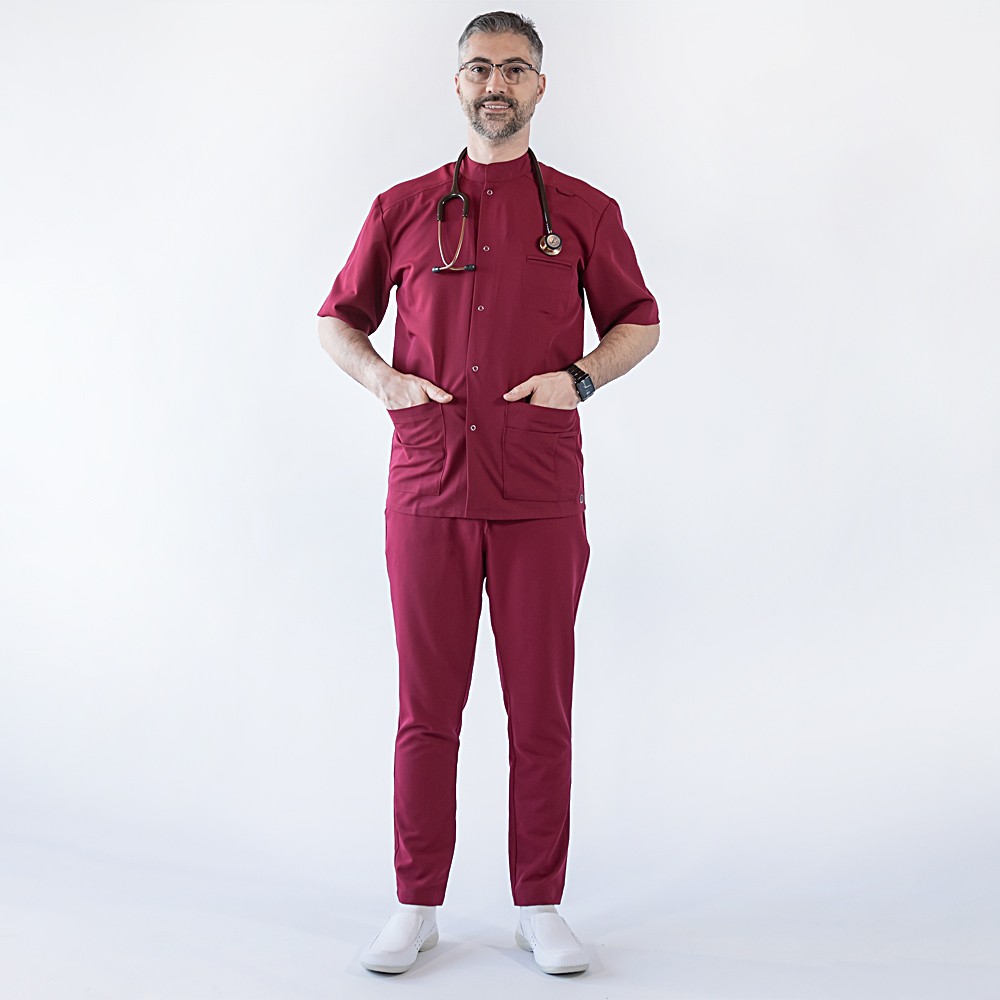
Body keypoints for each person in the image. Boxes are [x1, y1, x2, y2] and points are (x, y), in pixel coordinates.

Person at [316, 10, 659, 976]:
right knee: (427, 709)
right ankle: (415, 904)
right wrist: (385, 382)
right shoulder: (402, 208)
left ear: (540, 86)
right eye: (478, 68)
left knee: (539, 710)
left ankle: (539, 906)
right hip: (428, 490)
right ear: (457, 83)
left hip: (539, 493)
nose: (495, 83)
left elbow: (640, 321)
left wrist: (580, 377)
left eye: (513, 68)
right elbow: (337, 321)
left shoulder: (584, 211)